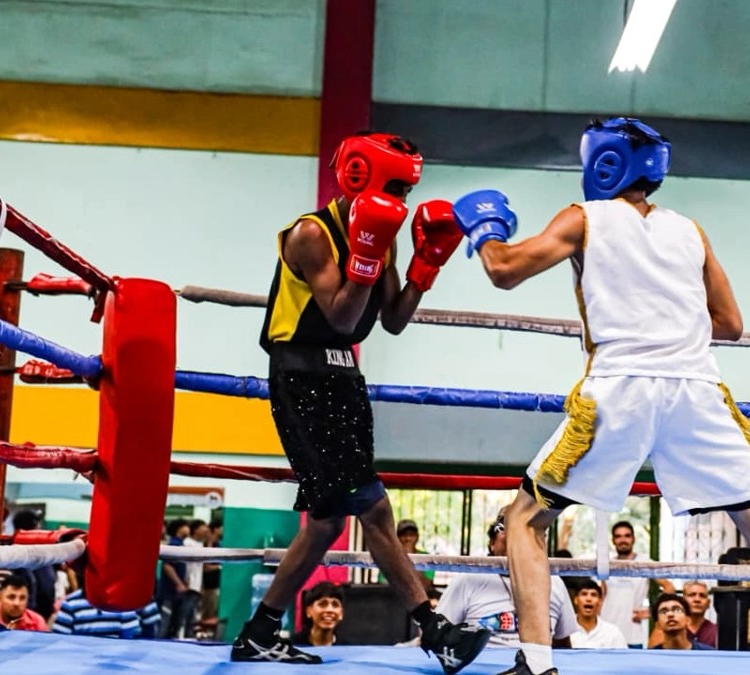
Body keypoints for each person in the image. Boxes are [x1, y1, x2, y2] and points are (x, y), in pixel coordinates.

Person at [454, 116, 750, 675]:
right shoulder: (690, 230)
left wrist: (485, 227)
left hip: (621, 390)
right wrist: (671, 327)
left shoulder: (582, 218)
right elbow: (731, 324)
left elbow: (503, 270)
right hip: (698, 389)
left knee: (524, 519)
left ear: (602, 163)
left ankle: (538, 664)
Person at [233, 132, 489, 671]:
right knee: (374, 508)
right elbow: (343, 319)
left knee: (328, 521)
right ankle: (435, 630)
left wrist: (425, 264)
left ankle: (258, 633)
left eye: (405, 187)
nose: (400, 196)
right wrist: (367, 251)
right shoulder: (311, 234)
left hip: (344, 382)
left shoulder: (387, 232)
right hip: (304, 379)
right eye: (394, 184)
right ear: (358, 175)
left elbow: (391, 319)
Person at [437, 509, 577, 649]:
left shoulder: (554, 582)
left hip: (534, 667)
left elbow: (562, 646)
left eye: (526, 527)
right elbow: (438, 634)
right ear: (492, 543)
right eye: (507, 527)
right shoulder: (468, 580)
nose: (517, 533)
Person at [601, 521, 674, 648]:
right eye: (618, 536)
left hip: (632, 634)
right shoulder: (607, 564)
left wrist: (652, 611)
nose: (623, 540)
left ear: (633, 539)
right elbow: (602, 595)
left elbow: (669, 587)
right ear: (613, 540)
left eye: (627, 536)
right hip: (607, 632)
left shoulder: (644, 562)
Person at [569, 578, 626, 649]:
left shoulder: (613, 633)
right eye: (584, 594)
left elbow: (623, 659)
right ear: (576, 600)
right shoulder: (565, 631)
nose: (588, 599)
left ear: (600, 601)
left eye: (593, 595)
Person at [650, 594, 715, 651]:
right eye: (663, 612)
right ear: (657, 625)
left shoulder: (708, 654)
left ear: (688, 620)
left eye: (677, 610)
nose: (670, 614)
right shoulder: (652, 656)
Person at [293, 582, 345, 647]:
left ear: (341, 614)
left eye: (335, 605)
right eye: (323, 604)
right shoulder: (293, 647)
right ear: (308, 611)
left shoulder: (348, 649)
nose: (329, 610)